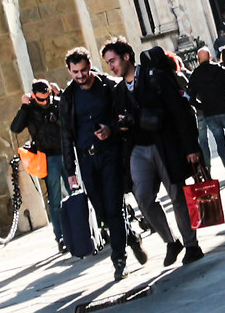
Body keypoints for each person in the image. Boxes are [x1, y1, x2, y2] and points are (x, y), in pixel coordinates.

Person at [60, 47, 147, 280]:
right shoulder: (68, 98)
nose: (80, 75)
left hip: (110, 154)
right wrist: (70, 171)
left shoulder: (109, 86)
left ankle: (119, 259)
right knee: (102, 212)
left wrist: (110, 129)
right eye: (75, 71)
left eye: (83, 70)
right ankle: (131, 237)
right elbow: (66, 135)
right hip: (86, 159)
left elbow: (123, 116)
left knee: (114, 207)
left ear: (90, 65)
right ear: (69, 71)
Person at [115, 42, 205, 265]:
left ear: (126, 57)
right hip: (139, 148)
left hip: (165, 144)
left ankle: (191, 245)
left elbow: (179, 112)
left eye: (113, 60)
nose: (111, 66)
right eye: (108, 62)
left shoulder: (155, 77)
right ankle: (171, 240)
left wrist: (191, 147)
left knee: (177, 195)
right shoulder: (118, 91)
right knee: (143, 197)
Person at [10, 80, 71, 252]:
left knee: (75, 192)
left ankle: (83, 228)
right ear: (34, 96)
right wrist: (24, 107)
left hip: (65, 152)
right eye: (41, 100)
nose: (45, 102)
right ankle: (60, 236)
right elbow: (15, 128)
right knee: (55, 199)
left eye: (47, 98)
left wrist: (60, 94)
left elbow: (73, 108)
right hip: (48, 157)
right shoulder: (30, 110)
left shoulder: (57, 102)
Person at [186, 47, 225, 178]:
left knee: (220, 143)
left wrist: (201, 106)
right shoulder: (220, 69)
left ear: (198, 59)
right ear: (209, 57)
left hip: (210, 112)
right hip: (224, 108)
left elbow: (191, 97)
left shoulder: (196, 75)